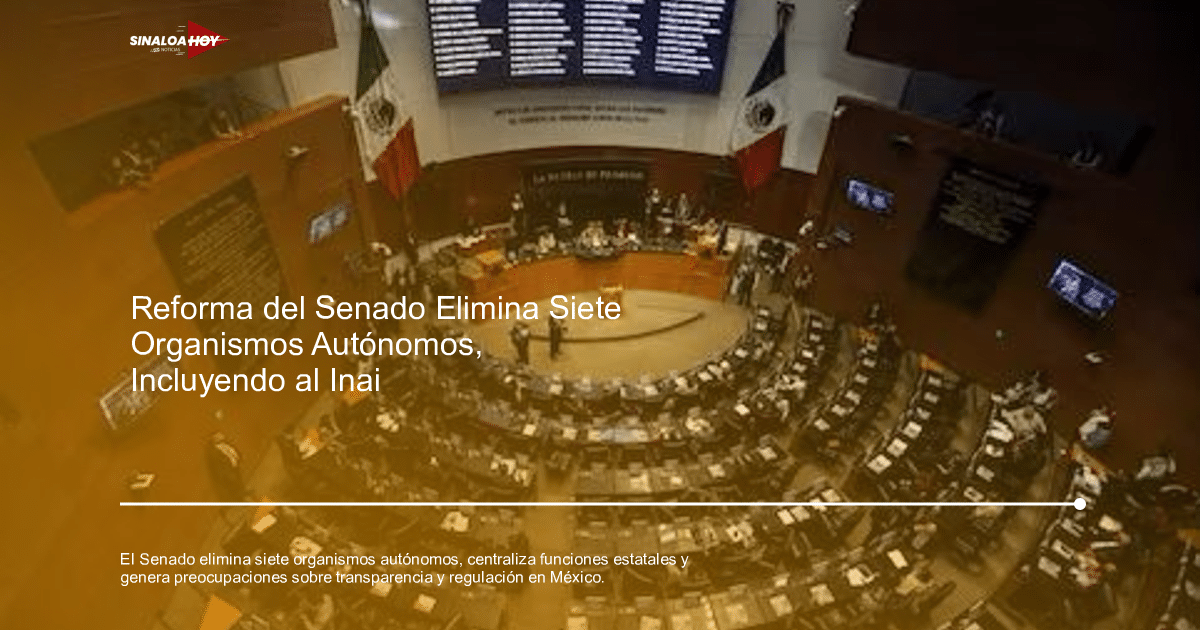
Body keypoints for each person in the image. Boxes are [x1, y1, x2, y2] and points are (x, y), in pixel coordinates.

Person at [206, 432, 245, 501]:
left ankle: (243, 493)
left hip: (234, 465)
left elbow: (231, 451)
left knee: (238, 480)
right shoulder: (214, 451)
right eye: (219, 436)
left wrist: (237, 458)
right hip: (227, 470)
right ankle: (240, 499)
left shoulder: (225, 444)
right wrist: (224, 473)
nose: (222, 436)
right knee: (234, 484)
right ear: (215, 439)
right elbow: (218, 463)